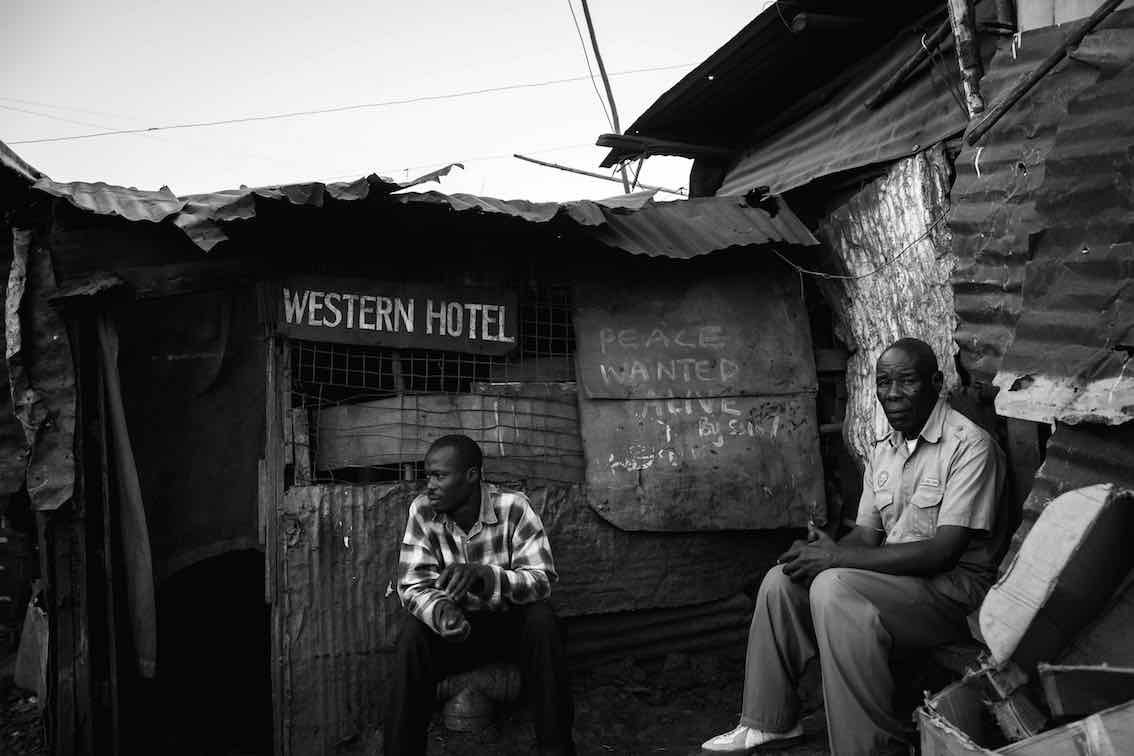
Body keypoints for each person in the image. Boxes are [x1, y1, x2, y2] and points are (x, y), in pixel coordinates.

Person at [701, 337, 1007, 755]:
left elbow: (943, 552)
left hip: (950, 595)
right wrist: (828, 551)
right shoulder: (886, 449)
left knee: (834, 588)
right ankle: (768, 721)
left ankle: (867, 746)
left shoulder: (969, 446)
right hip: (898, 584)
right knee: (783, 580)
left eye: (907, 382)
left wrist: (836, 560)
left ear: (936, 382)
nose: (892, 394)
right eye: (883, 383)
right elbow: (864, 537)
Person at [384, 434, 575, 756]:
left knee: (542, 621)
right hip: (456, 635)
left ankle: (556, 748)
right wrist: (442, 612)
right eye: (428, 475)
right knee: (411, 636)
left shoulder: (514, 507)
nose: (430, 485)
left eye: (440, 476)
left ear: (472, 476)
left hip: (506, 629)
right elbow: (413, 585)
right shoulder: (422, 511)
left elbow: (541, 581)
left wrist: (487, 577)